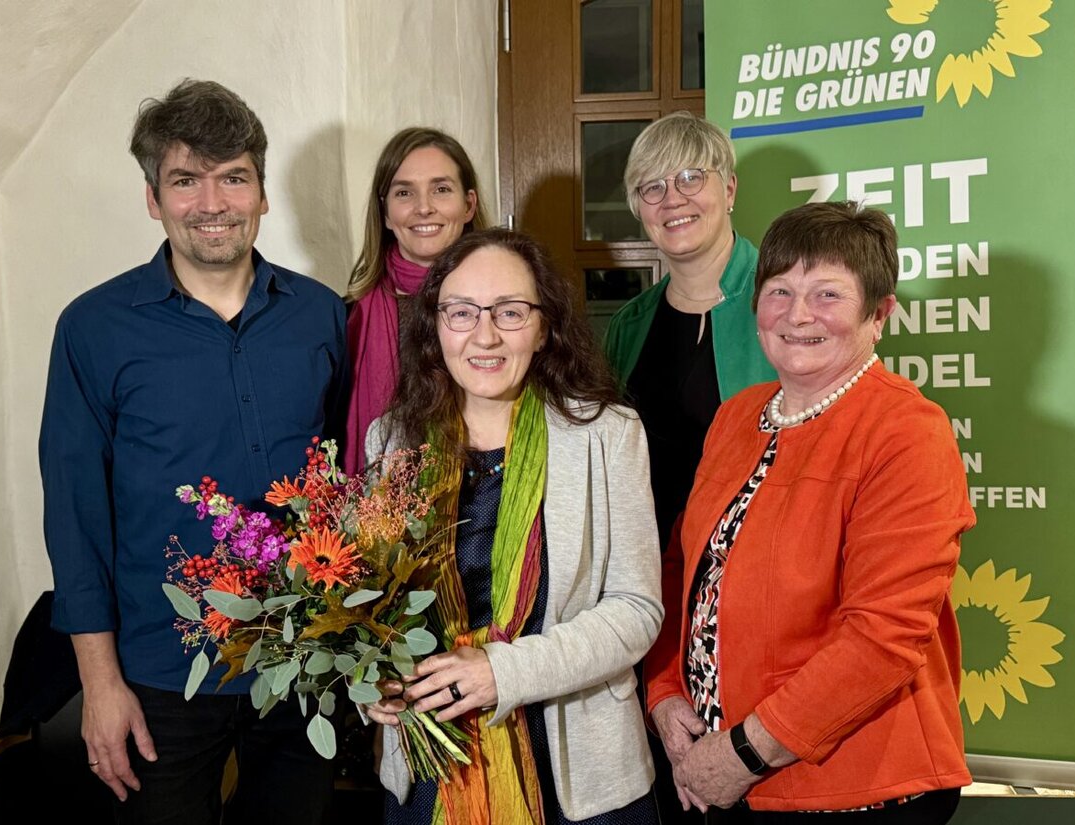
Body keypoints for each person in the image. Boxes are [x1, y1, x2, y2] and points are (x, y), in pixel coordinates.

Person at [39, 79, 348, 824]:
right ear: (153, 198)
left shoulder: (321, 315)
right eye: (185, 180)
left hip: (306, 660)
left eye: (233, 177)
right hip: (159, 673)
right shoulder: (92, 328)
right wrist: (100, 683)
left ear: (262, 193)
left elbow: (349, 481)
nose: (212, 202)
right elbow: (75, 520)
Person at [645, 201, 975, 824]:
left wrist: (743, 754)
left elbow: (882, 638)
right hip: (714, 770)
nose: (797, 315)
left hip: (854, 787)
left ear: (879, 314)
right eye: (780, 291)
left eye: (827, 294)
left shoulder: (907, 431)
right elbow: (682, 568)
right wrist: (664, 694)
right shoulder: (736, 417)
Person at [365, 228, 664, 824]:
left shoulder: (607, 435)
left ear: (544, 327)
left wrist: (501, 673)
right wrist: (373, 677)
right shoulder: (392, 441)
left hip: (577, 769)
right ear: (435, 326)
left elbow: (637, 610)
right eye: (461, 312)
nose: (485, 335)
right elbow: (373, 605)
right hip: (435, 761)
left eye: (510, 311)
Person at [605, 111, 775, 552]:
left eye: (690, 178)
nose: (672, 200)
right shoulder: (628, 325)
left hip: (757, 559)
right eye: (652, 187)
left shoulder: (785, 301)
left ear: (729, 189)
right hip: (650, 567)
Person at [344, 126, 490, 475]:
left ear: (468, 205)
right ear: (385, 212)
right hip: (383, 498)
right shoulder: (348, 318)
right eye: (404, 192)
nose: (424, 208)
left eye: (441, 189)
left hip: (492, 490)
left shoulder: (508, 307)